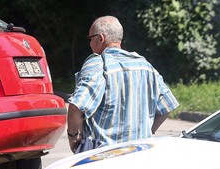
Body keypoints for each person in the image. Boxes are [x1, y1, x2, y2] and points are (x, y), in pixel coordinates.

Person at [67, 15, 179, 153]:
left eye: (90, 39)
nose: (89, 43)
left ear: (100, 38)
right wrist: (148, 132)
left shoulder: (99, 63)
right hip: (139, 153)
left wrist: (73, 137)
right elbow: (167, 107)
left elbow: (76, 106)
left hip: (102, 157)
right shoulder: (145, 65)